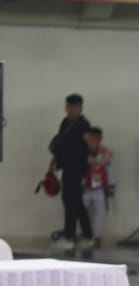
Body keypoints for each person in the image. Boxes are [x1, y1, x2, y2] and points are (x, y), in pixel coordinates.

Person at [48, 93, 93, 250]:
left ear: (81, 108)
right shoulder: (65, 123)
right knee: (76, 201)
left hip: (77, 169)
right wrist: (53, 164)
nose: (72, 109)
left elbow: (92, 146)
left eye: (76, 107)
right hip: (65, 167)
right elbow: (60, 145)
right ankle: (87, 235)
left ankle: (69, 237)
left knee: (69, 201)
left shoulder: (84, 125)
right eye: (70, 106)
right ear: (66, 108)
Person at [81, 126, 113, 249]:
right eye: (93, 138)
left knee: (100, 213)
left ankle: (97, 237)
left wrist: (110, 187)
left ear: (101, 139)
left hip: (99, 188)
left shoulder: (105, 153)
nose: (96, 140)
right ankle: (84, 236)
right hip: (84, 188)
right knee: (82, 213)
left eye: (98, 138)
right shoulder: (82, 152)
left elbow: (109, 170)